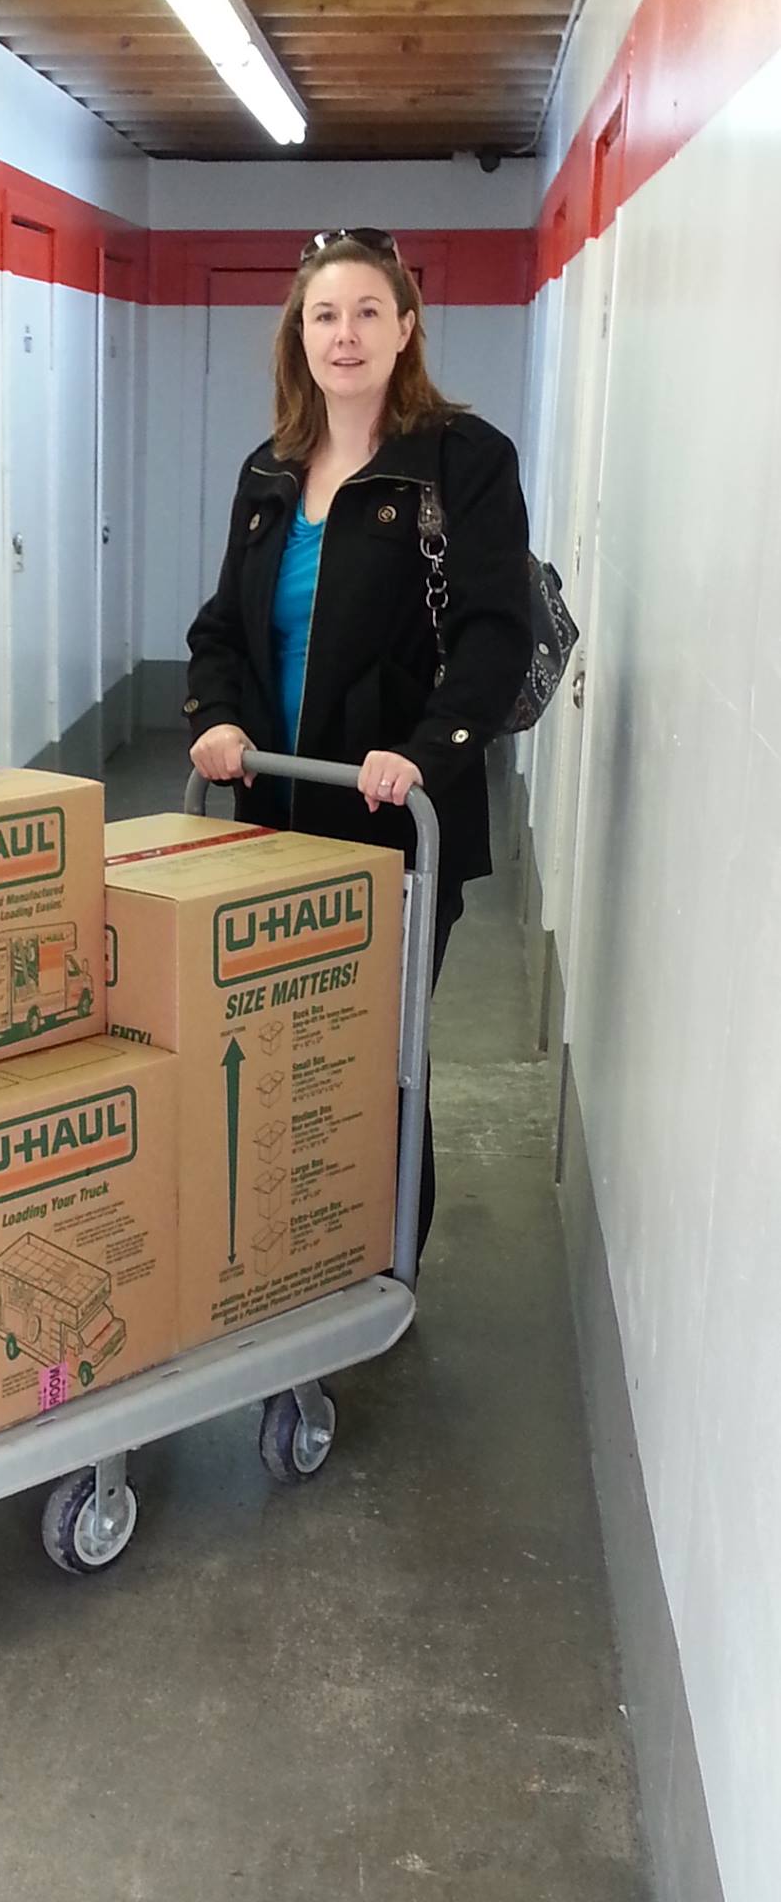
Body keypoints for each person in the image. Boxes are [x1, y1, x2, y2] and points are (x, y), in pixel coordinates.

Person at [184, 226, 533, 1262]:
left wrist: (425, 751)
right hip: (273, 812)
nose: (345, 335)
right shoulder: (269, 470)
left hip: (394, 819)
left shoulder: (462, 461)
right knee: (274, 1045)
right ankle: (282, 1247)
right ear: (300, 333)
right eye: (325, 315)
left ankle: (381, 1258)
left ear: (406, 328)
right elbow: (223, 628)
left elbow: (494, 633)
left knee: (375, 1050)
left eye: (368, 312)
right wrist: (216, 718)